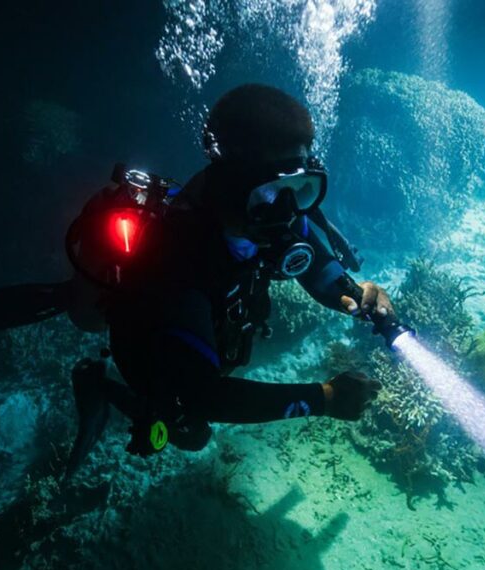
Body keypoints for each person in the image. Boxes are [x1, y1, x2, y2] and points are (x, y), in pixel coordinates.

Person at [63, 84, 396, 473]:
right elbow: (203, 395)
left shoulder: (267, 212)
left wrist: (353, 293)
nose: (287, 212)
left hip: (216, 344)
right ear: (232, 184)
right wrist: (324, 398)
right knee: (191, 434)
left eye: (300, 189)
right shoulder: (179, 254)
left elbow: (314, 264)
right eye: (272, 193)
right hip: (163, 365)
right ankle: (98, 385)